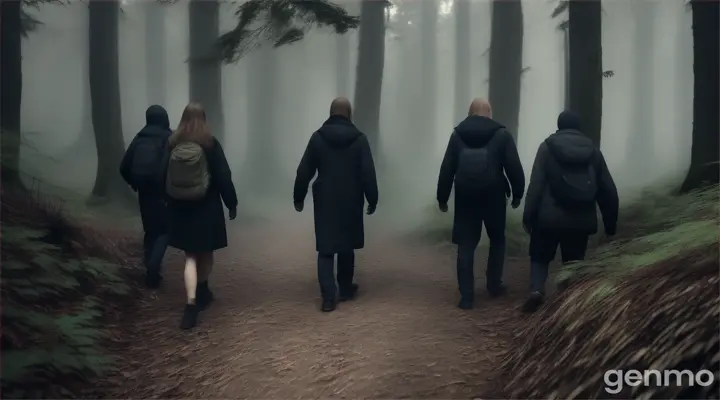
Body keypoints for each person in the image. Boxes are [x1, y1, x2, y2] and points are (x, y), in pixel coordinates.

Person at [521, 110, 618, 313]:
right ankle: (567, 301)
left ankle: (537, 290)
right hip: (580, 218)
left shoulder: (546, 148)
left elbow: (536, 184)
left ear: (559, 125)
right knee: (573, 261)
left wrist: (528, 216)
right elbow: (607, 189)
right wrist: (610, 225)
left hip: (547, 217)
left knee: (540, 256)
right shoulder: (593, 151)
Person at [437, 98, 525, 310]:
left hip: (466, 196)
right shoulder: (501, 134)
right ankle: (494, 285)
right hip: (494, 195)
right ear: (490, 113)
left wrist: (442, 197)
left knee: (466, 245)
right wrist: (517, 194)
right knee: (497, 240)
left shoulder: (458, 135)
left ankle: (467, 296)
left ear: (469, 113)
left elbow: (447, 167)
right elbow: (513, 166)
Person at [293, 97, 379, 313]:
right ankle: (346, 288)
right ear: (349, 114)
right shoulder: (359, 139)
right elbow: (368, 173)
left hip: (325, 198)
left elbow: (304, 171)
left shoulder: (318, 138)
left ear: (330, 114)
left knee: (325, 246)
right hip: (351, 196)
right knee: (347, 243)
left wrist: (299, 195)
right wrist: (372, 198)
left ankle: (329, 297)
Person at [165, 102, 238, 330]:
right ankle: (203, 288)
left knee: (190, 257)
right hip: (206, 206)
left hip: (180, 207)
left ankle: (191, 302)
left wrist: (166, 200)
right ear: (204, 119)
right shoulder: (210, 143)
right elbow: (223, 176)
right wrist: (231, 203)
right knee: (205, 252)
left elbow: (161, 174)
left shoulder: (172, 143)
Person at [119, 105, 172, 289]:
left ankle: (150, 269)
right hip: (162, 193)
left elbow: (123, 167)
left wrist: (134, 183)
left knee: (150, 231)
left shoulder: (139, 138)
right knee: (165, 231)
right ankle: (153, 268)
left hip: (144, 193)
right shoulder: (168, 138)